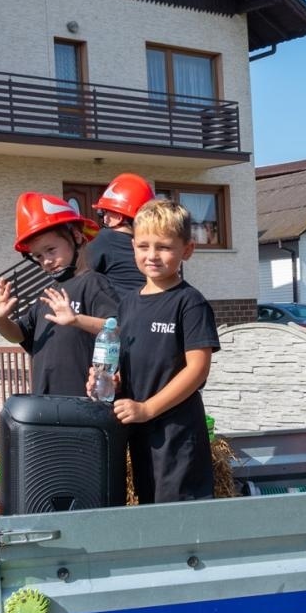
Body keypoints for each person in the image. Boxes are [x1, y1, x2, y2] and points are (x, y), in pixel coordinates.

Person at [89, 198, 220, 503]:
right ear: (133, 246)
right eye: (143, 246)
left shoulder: (189, 303)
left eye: (163, 247)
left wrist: (148, 409)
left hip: (176, 436)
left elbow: (197, 369)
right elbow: (125, 363)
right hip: (139, 433)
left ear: (187, 250)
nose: (152, 256)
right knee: (149, 507)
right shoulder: (129, 303)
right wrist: (108, 381)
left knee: (177, 517)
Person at [0, 192, 115, 396]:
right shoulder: (49, 294)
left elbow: (117, 328)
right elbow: (19, 334)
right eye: (38, 256)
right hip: (45, 403)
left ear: (77, 237)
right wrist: (0, 319)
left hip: (83, 404)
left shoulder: (94, 283)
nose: (46, 260)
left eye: (51, 250)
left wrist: (76, 320)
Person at [85, 172, 153, 312]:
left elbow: (79, 276)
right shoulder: (149, 246)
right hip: (151, 312)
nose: (104, 219)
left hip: (120, 320)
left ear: (118, 216)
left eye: (104, 212)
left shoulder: (104, 239)